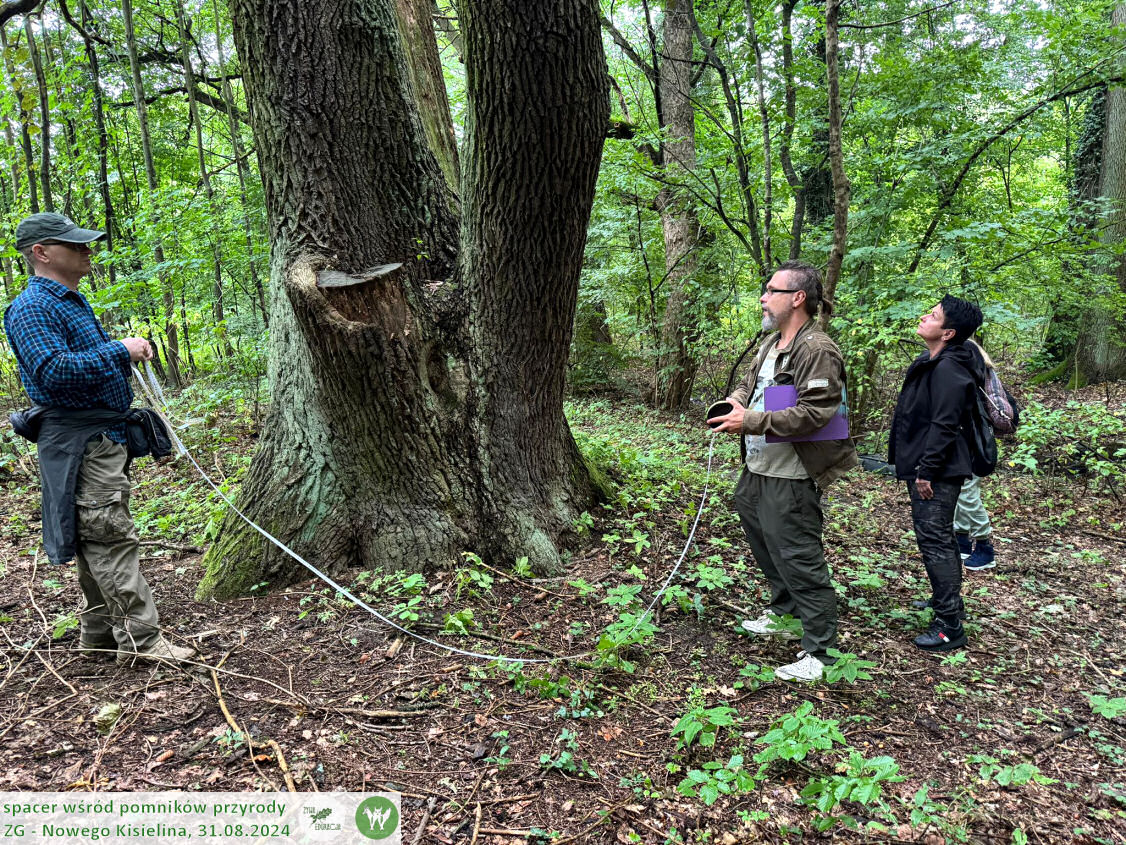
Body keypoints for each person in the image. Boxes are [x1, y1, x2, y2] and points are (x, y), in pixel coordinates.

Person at [4, 212, 196, 666]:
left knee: (96, 537)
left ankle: (98, 634)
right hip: (80, 443)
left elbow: (81, 362)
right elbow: (53, 371)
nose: (87, 249)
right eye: (75, 245)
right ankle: (144, 642)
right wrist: (119, 350)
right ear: (41, 253)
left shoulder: (70, 301)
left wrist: (127, 353)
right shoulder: (32, 307)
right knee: (109, 538)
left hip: (99, 439)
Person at [708, 261, 857, 682]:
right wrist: (734, 404)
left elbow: (815, 415)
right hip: (758, 466)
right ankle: (785, 612)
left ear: (797, 298)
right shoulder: (773, 343)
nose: (763, 297)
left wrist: (750, 421)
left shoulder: (818, 350)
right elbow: (752, 386)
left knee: (798, 556)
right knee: (766, 544)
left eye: (771, 290)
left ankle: (821, 653)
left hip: (791, 474)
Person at [889, 295, 984, 652]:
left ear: (948, 333)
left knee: (937, 543)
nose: (925, 317)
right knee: (938, 540)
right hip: (930, 465)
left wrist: (926, 471)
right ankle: (947, 603)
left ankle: (949, 626)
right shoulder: (935, 360)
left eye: (933, 316)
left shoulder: (949, 369)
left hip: (938, 471)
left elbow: (945, 424)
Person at [954, 343, 997, 571]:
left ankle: (984, 545)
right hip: (973, 445)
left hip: (973, 446)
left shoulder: (974, 379)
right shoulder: (983, 377)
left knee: (968, 493)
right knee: (963, 490)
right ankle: (961, 539)